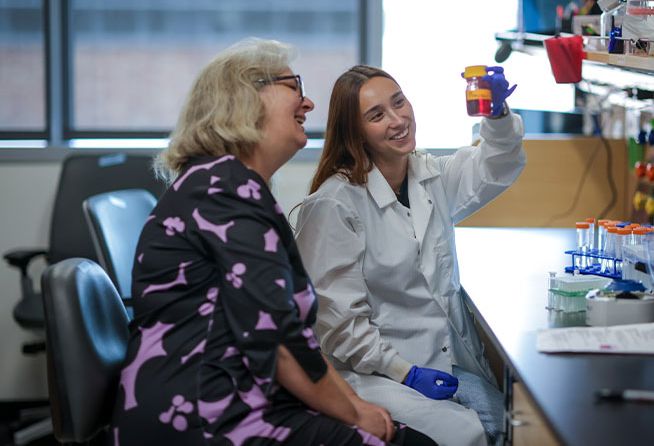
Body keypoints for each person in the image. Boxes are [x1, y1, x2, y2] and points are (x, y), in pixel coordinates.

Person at [108, 39, 436, 446]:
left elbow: (291, 334)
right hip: (201, 411)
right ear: (246, 99)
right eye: (293, 86)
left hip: (227, 393)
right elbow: (277, 340)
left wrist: (355, 406)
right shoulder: (223, 190)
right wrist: (355, 413)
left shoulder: (230, 186)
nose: (308, 103)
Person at [294, 65, 526, 446]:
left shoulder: (428, 175)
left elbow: (497, 165)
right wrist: (404, 372)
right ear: (356, 133)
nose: (398, 119)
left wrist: (497, 114)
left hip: (443, 363)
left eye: (398, 102)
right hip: (376, 373)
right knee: (469, 433)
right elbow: (340, 325)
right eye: (377, 115)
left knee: (511, 422)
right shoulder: (334, 205)